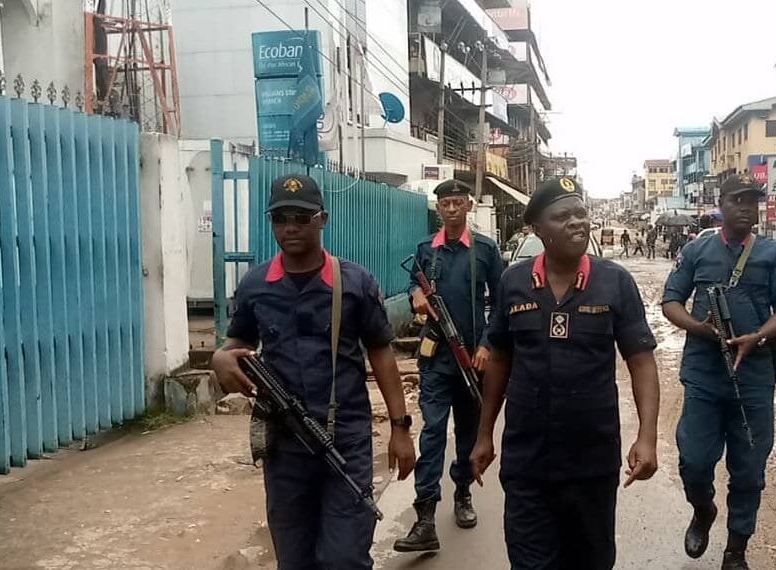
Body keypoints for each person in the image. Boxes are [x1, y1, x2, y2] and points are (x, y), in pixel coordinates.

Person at [212, 174, 416, 569]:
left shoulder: (354, 282)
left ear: (322, 219)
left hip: (346, 442)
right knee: (294, 559)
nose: (290, 227)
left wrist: (400, 429)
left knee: (344, 559)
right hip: (284, 449)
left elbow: (382, 354)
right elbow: (235, 344)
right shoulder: (257, 286)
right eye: (281, 218)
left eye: (302, 217)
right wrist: (221, 359)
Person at [471, 176, 660, 569]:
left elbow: (641, 361)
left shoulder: (615, 282)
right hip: (528, 462)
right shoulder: (514, 282)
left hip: (592, 460)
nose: (577, 222)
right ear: (537, 229)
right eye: (562, 216)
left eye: (581, 213)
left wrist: (647, 437)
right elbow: (501, 358)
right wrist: (485, 434)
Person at [661, 174, 776, 569]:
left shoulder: (773, 253)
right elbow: (671, 300)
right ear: (720, 203)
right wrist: (700, 329)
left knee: (749, 469)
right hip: (704, 374)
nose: (746, 207)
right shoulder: (697, 250)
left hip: (754, 377)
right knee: (694, 459)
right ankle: (703, 510)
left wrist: (758, 336)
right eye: (737, 200)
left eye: (752, 201)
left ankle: (736, 550)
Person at [394, 179, 504, 552]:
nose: (452, 209)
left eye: (458, 202)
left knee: (468, 434)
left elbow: (501, 305)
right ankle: (425, 515)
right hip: (436, 359)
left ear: (469, 205)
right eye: (446, 204)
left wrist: (488, 345)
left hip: (473, 360)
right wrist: (417, 297)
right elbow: (413, 287)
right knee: (433, 433)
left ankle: (462, 493)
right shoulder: (427, 250)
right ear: (438, 208)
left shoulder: (486, 250)